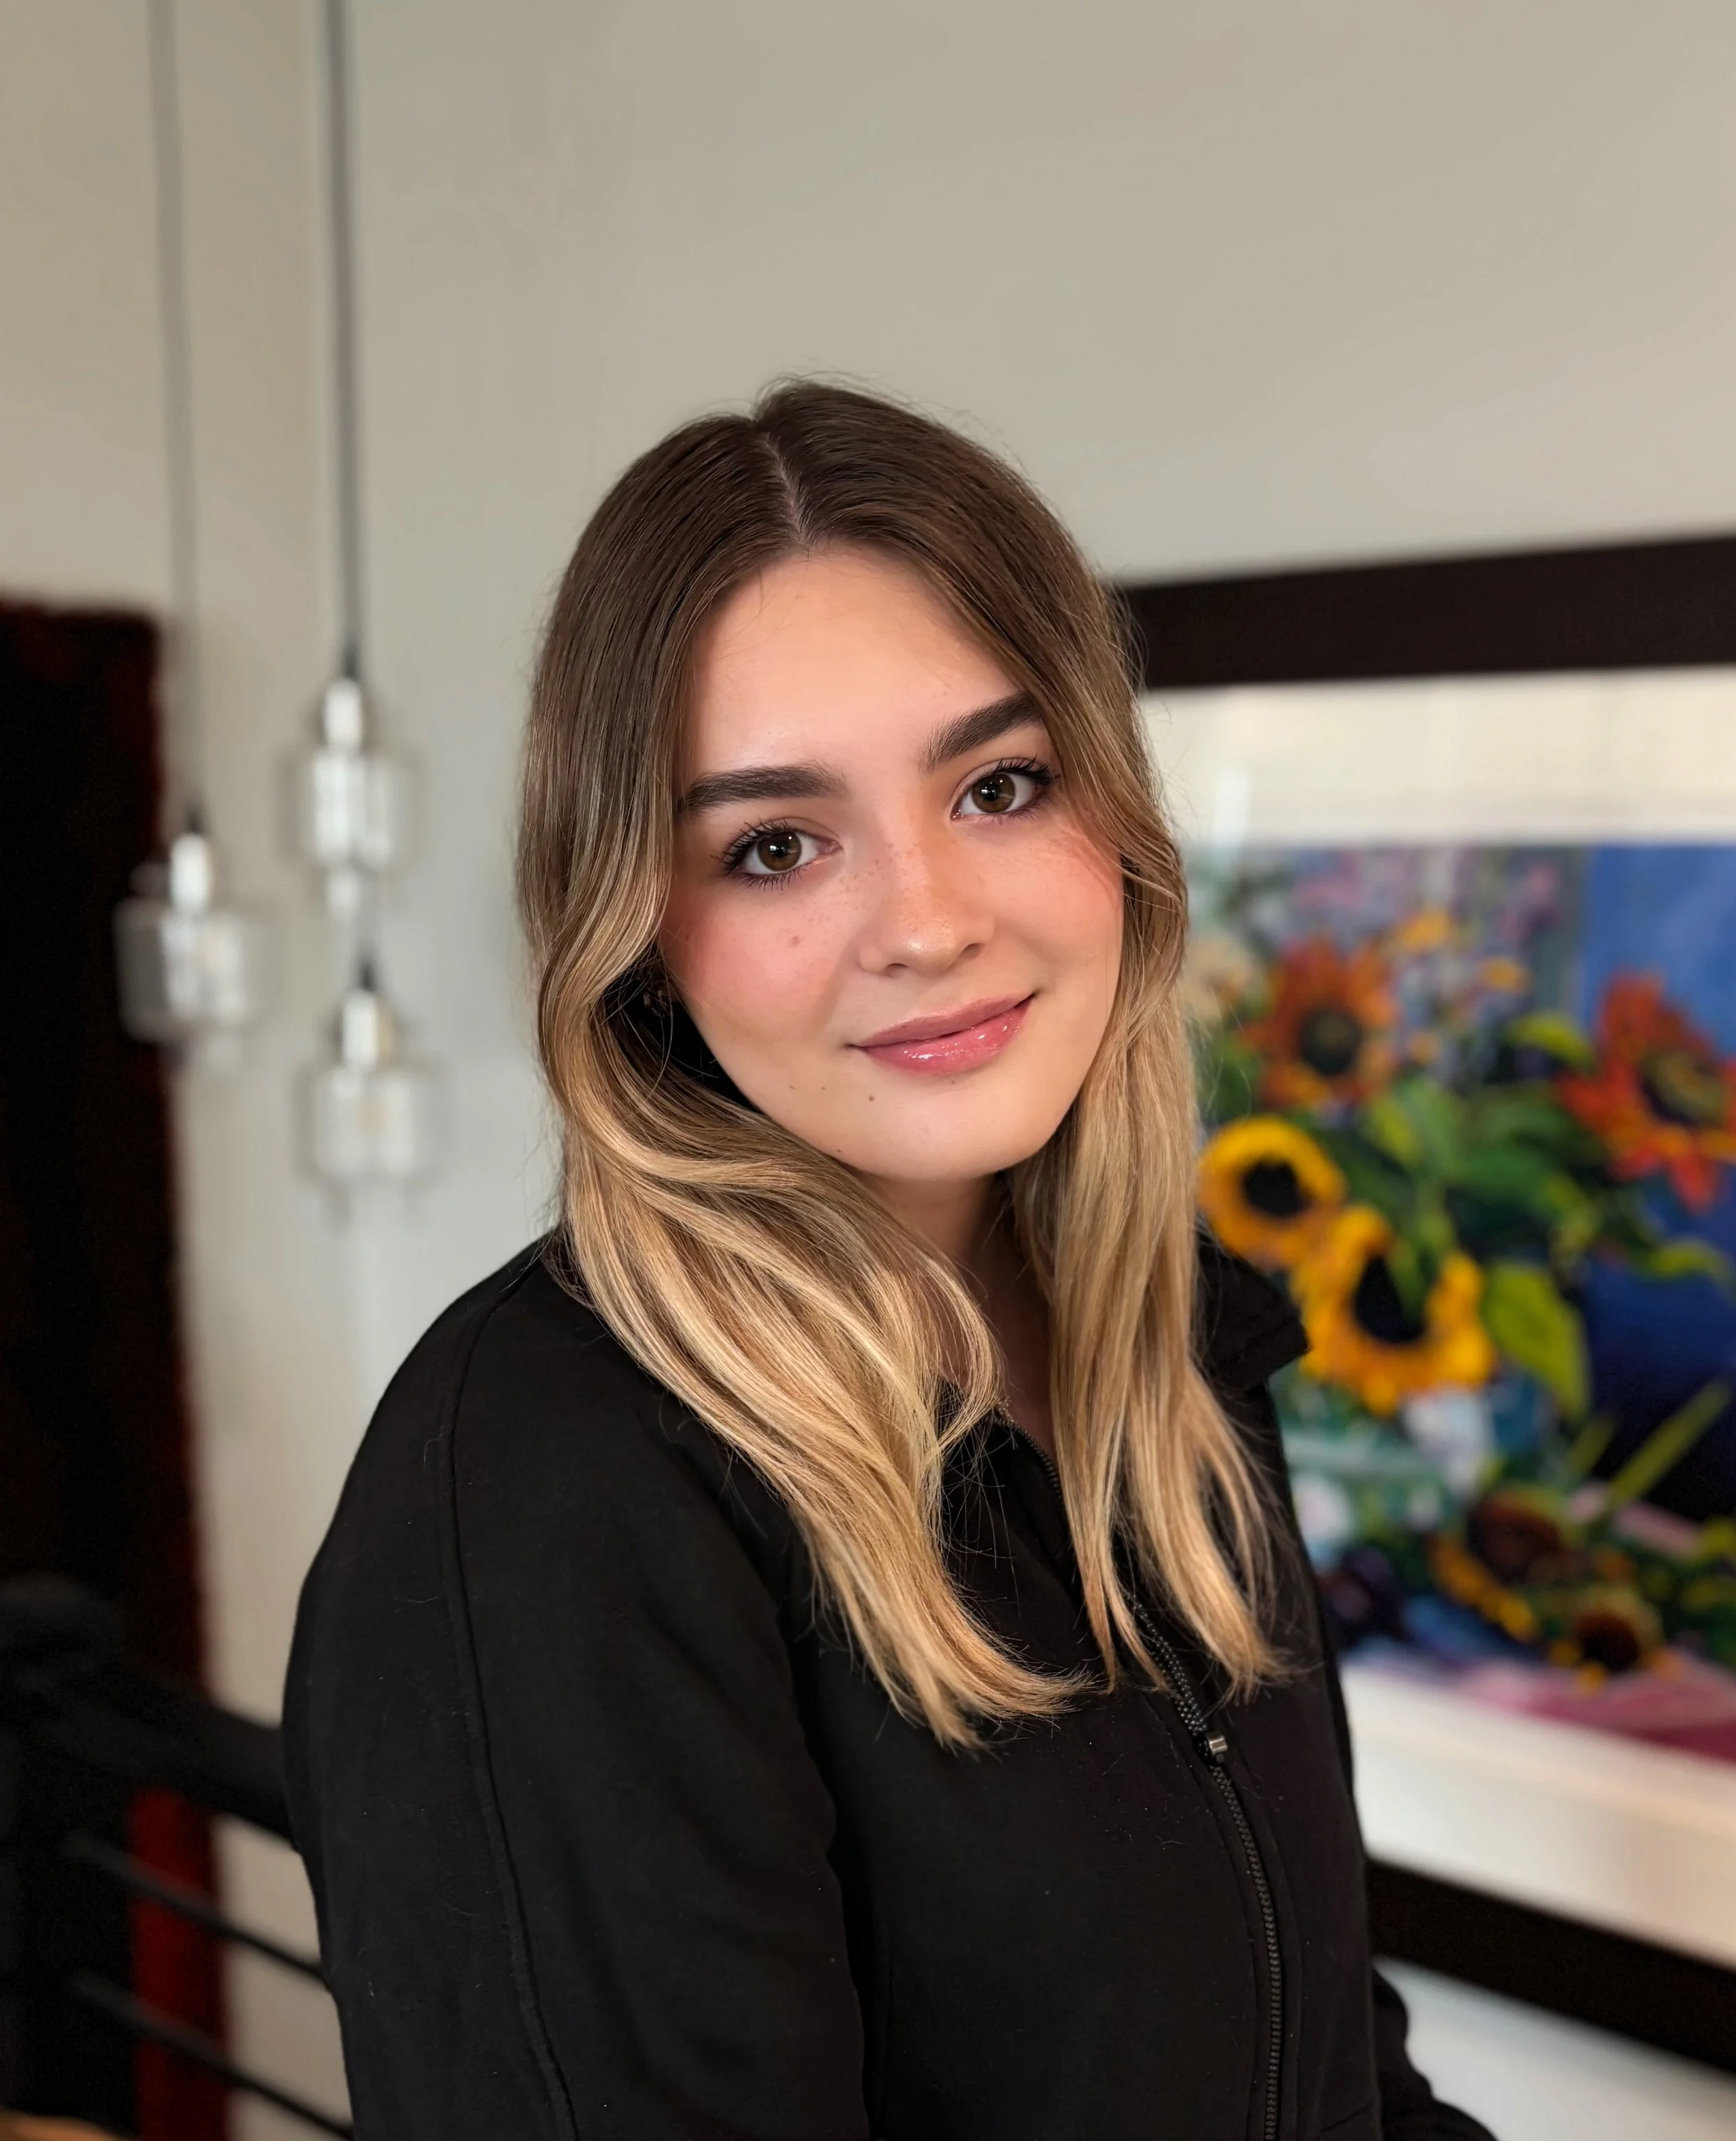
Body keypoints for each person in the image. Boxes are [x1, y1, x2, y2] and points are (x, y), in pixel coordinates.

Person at [284, 382, 1493, 2141]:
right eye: (775, 843)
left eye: (1000, 784)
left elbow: (1332, 2068)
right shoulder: (541, 1492)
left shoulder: (1174, 1349)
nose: (925, 921)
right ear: (637, 931)